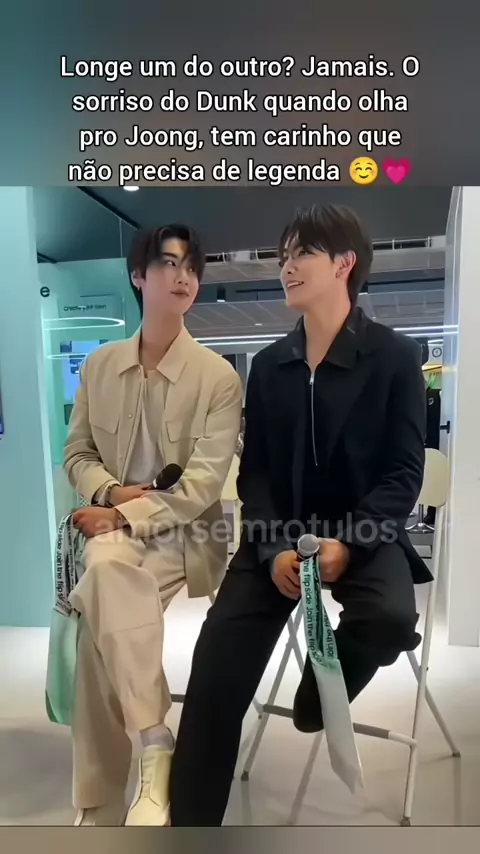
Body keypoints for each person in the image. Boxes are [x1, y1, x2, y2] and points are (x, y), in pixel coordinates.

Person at [169, 204, 429, 826]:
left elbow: (403, 473)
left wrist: (351, 543)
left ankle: (321, 689)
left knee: (391, 618)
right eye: (283, 255)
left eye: (302, 253)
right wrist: (273, 549)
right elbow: (254, 473)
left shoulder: (395, 357)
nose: (286, 266)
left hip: (363, 533)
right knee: (216, 666)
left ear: (345, 263)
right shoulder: (269, 366)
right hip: (277, 538)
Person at [64, 224, 242, 827]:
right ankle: (154, 742)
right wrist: (110, 493)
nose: (183, 276)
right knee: (105, 585)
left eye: (192, 266)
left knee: (101, 596)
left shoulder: (218, 378)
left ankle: (96, 802)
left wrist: (119, 513)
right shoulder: (99, 366)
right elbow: (77, 454)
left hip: (187, 537)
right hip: (114, 530)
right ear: (139, 276)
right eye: (168, 263)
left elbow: (202, 487)